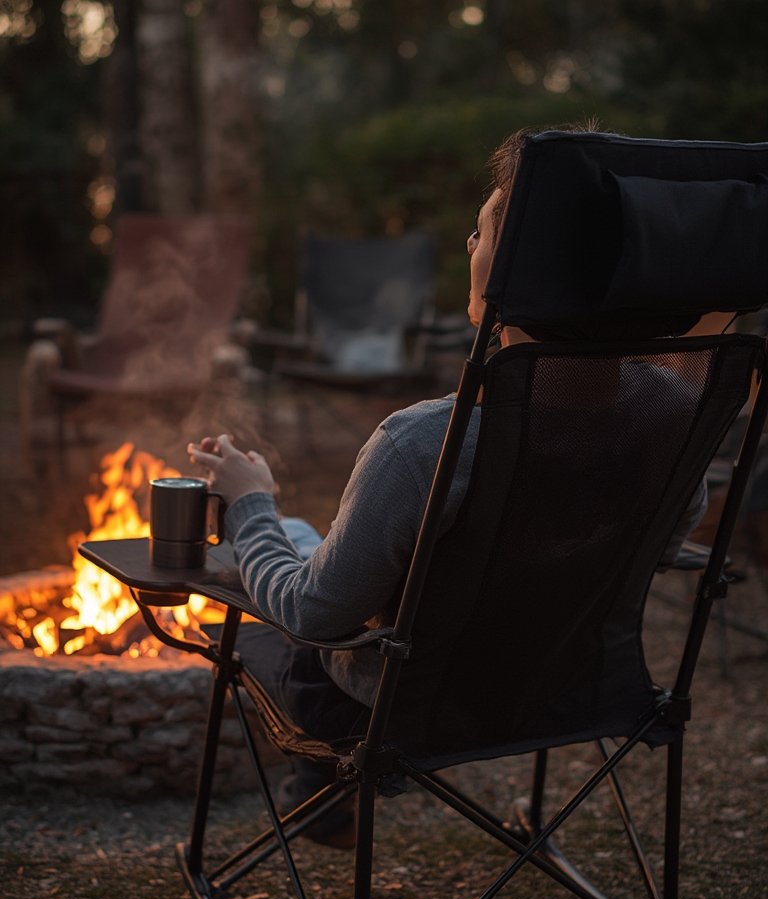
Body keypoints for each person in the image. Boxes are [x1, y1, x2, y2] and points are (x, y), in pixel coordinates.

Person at [188, 123, 732, 846]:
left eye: (480, 235)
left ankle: (318, 785)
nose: (469, 249)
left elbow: (315, 615)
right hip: (572, 684)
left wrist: (248, 501)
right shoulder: (672, 412)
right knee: (318, 548)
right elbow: (660, 548)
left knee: (274, 583)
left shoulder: (423, 444)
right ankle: (317, 788)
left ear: (515, 273)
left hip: (414, 701)